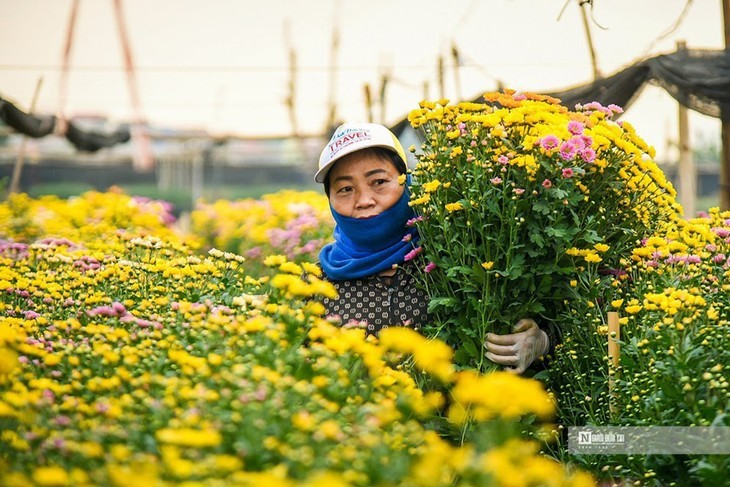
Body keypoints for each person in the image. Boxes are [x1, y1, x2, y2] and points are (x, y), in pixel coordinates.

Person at [315, 122, 555, 374]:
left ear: (407, 182)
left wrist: (542, 342)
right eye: (345, 189)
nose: (364, 200)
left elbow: (570, 327)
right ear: (330, 198)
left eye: (378, 181)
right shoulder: (317, 282)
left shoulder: (459, 255)